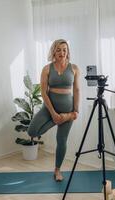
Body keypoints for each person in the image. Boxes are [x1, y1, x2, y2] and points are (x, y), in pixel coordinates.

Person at [27, 39, 80, 181]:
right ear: (53, 51)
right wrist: (55, 116)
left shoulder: (74, 68)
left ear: (68, 52)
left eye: (64, 49)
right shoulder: (47, 69)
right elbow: (44, 93)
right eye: (59, 50)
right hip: (50, 108)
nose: (62, 52)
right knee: (32, 131)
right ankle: (59, 120)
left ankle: (57, 170)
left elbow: (76, 90)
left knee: (61, 141)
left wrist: (75, 111)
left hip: (67, 110)